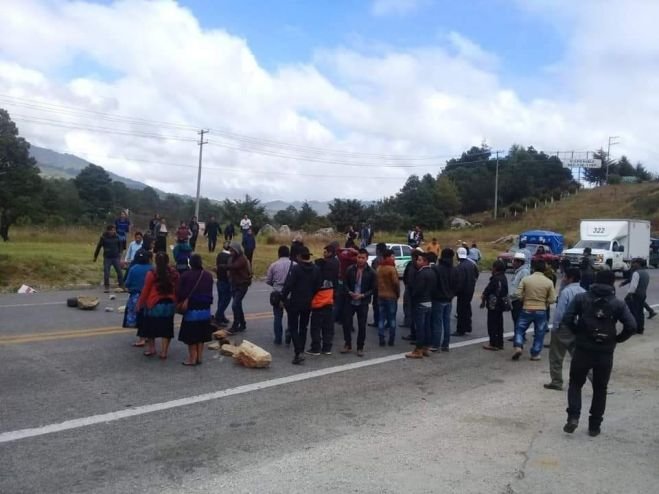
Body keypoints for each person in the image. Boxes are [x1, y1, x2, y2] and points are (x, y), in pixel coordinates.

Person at [561, 270, 636, 436]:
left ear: (595, 281)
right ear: (612, 283)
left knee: (575, 384)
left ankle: (573, 417)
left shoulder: (581, 298)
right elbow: (631, 326)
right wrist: (617, 339)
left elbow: (567, 318)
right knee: (600, 388)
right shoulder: (618, 303)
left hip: (583, 348)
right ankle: (594, 426)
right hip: (605, 352)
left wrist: (577, 333)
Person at [544, 267, 585, 390]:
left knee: (556, 356)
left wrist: (555, 327)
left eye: (565, 276)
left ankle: (556, 381)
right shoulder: (584, 291)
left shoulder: (566, 292)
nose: (563, 278)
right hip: (577, 328)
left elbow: (560, 312)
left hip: (564, 327)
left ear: (570, 278)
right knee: (580, 357)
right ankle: (596, 380)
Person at [281, 246, 320, 364]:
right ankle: (301, 350)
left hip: (295, 302)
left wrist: (283, 297)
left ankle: (298, 352)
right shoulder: (316, 269)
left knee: (293, 327)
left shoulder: (296, 269)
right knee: (303, 327)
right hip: (308, 302)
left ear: (299, 257)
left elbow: (289, 285)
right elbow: (318, 286)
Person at [512, 260, 557, 361]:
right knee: (539, 333)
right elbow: (553, 299)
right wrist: (546, 302)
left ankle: (518, 346)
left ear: (533, 269)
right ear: (544, 270)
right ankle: (535, 354)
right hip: (541, 310)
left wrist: (523, 299)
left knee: (519, 329)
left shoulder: (526, 279)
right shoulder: (548, 282)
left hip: (527, 308)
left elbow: (517, 293)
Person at [136, 252, 178, 359]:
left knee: (150, 327)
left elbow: (146, 290)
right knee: (166, 328)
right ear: (168, 261)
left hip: (154, 303)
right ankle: (164, 352)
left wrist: (140, 303)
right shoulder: (173, 273)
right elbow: (178, 287)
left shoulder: (152, 273)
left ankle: (152, 348)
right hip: (169, 303)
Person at [177, 254, 214, 366]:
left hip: (192, 309)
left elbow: (181, 292)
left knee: (191, 336)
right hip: (205, 309)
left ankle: (192, 358)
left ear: (190, 263)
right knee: (201, 335)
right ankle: (199, 357)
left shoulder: (185, 275)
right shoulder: (208, 275)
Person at [341, 248, 376, 357]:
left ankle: (360, 347)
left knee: (362, 325)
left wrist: (363, 295)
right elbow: (345, 283)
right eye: (359, 257)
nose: (360, 260)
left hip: (363, 302)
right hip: (350, 300)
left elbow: (373, 289)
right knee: (346, 323)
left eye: (363, 258)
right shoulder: (350, 269)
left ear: (366, 259)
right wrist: (349, 292)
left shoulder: (371, 272)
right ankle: (348, 344)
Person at [309, 244, 340, 355]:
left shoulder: (318, 275)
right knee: (328, 327)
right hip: (329, 302)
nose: (324, 253)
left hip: (318, 303)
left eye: (325, 252)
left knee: (316, 328)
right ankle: (327, 348)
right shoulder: (334, 268)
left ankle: (316, 348)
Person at [406, 252, 436, 358]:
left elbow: (417, 290)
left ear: (425, 262)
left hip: (420, 303)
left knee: (420, 327)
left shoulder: (421, 273)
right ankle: (425, 348)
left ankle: (418, 350)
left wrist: (413, 297)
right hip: (429, 302)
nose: (417, 262)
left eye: (419, 260)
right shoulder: (432, 272)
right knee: (427, 327)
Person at [124, 248, 152, 348]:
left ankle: (141, 339)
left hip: (136, 296)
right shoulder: (152, 268)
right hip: (149, 296)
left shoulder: (133, 268)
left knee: (139, 317)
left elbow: (127, 283)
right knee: (148, 317)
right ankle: (149, 336)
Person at [220, 242, 251, 332]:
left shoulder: (242, 258)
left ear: (237, 250)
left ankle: (235, 325)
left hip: (242, 284)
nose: (231, 252)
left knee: (235, 305)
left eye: (232, 250)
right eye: (230, 250)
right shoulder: (231, 258)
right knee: (238, 305)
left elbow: (235, 266)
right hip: (234, 284)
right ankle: (242, 323)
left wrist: (224, 266)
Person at [266, 245, 293, 345]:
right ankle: (289, 333)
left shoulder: (274, 265)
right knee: (291, 316)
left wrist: (276, 284)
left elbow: (268, 280)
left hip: (277, 293)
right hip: (290, 294)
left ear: (279, 254)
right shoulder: (294, 264)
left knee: (277, 316)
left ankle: (278, 338)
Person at [431, 248, 456, 352]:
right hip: (449, 299)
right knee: (446, 322)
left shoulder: (437, 269)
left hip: (438, 298)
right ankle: (445, 344)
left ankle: (436, 344)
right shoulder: (454, 269)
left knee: (437, 322)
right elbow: (457, 284)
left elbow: (433, 284)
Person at [481, 260, 509, 351]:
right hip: (501, 304)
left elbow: (488, 290)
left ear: (495, 268)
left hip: (494, 304)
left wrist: (483, 298)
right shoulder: (504, 277)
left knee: (492, 324)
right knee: (499, 324)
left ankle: (493, 343)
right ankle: (500, 343)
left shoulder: (495, 279)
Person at [452, 247, 479, 336]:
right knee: (467, 308)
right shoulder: (471, 264)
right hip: (470, 290)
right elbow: (476, 275)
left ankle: (461, 330)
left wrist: (455, 292)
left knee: (461, 310)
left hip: (462, 292)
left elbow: (459, 281)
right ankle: (468, 326)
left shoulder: (460, 267)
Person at [376, 249, 399, 346]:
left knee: (381, 318)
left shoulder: (379, 268)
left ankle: (381, 338)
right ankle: (391, 339)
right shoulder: (391, 268)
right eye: (392, 256)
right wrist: (397, 294)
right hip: (391, 296)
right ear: (388, 257)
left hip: (381, 295)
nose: (394, 258)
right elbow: (396, 283)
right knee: (392, 318)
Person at [621, 257, 649, 334]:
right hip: (643, 294)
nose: (633, 264)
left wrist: (629, 294)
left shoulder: (636, 273)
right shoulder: (645, 273)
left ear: (638, 264)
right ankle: (640, 329)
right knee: (640, 312)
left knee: (633, 312)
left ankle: (634, 329)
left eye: (634, 263)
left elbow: (633, 286)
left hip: (635, 295)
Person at [93, 224, 124, 293]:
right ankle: (106, 286)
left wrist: (120, 254)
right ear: (108, 231)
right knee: (106, 272)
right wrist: (95, 257)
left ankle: (121, 285)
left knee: (119, 271)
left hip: (115, 257)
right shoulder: (103, 237)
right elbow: (98, 247)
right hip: (107, 257)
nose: (114, 231)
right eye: (112, 230)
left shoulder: (117, 237)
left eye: (114, 230)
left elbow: (120, 246)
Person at [508, 252, 530, 341]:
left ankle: (520, 336)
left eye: (514, 261)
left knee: (518, 319)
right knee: (516, 318)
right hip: (514, 299)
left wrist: (522, 297)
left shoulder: (524, 272)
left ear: (520, 262)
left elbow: (525, 286)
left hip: (518, 299)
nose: (512, 263)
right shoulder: (519, 271)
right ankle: (517, 335)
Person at [369, 242, 387, 328]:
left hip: (377, 287)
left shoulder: (376, 260)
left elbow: (374, 274)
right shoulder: (387, 259)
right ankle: (385, 321)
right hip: (386, 287)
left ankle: (377, 321)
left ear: (378, 250)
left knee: (376, 305)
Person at [214, 242, 232, 326]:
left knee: (220, 299)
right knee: (226, 299)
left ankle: (221, 316)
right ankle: (218, 317)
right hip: (226, 280)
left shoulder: (219, 255)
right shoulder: (230, 257)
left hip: (219, 279)